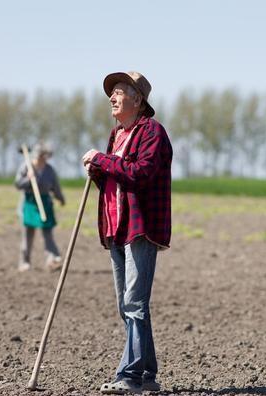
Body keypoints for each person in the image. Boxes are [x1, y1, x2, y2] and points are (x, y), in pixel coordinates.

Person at [82, 71, 172, 394]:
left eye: (120, 91)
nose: (112, 97)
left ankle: (129, 376)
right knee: (127, 305)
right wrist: (98, 171)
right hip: (116, 227)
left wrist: (104, 161)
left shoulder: (153, 132)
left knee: (134, 303)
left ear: (138, 100)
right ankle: (147, 375)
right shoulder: (116, 134)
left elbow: (140, 174)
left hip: (140, 227)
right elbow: (114, 181)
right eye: (112, 92)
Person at [15, 142, 65, 272]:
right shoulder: (27, 166)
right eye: (42, 155)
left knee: (47, 232)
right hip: (29, 202)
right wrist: (27, 179)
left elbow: (55, 187)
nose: (43, 158)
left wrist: (60, 198)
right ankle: (24, 262)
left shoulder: (49, 170)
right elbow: (17, 184)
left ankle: (52, 260)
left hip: (45, 202)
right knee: (28, 234)